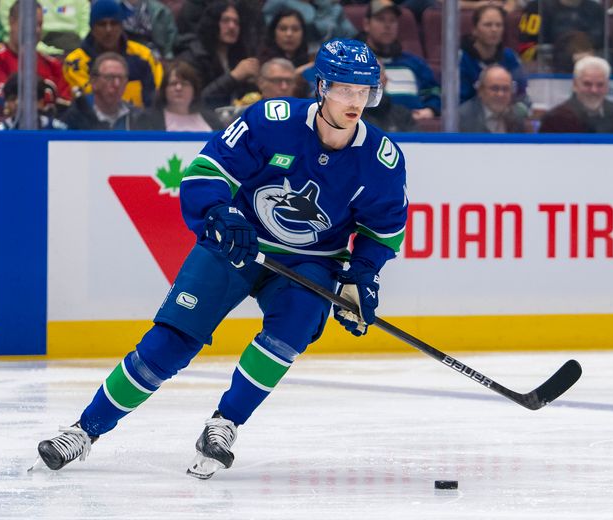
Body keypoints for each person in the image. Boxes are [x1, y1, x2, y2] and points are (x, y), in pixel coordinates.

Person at [33, 38, 408, 480]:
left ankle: (224, 423)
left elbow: (381, 230)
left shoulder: (382, 160)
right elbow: (205, 173)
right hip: (239, 244)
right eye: (345, 89)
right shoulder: (272, 121)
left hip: (309, 261)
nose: (355, 101)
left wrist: (361, 276)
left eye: (364, 91)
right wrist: (220, 212)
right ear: (322, 87)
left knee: (297, 323)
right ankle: (84, 430)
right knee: (171, 342)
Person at [63, 0, 162, 108]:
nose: (108, 30)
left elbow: (156, 96)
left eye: (114, 23)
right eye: (102, 24)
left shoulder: (144, 55)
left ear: (121, 26)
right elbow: (89, 101)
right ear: (92, 28)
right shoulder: (75, 62)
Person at [0, 1, 71, 111]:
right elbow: (2, 99)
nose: (36, 30)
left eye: (39, 24)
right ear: (11, 22)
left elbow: (66, 106)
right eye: (30, 24)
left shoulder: (53, 65)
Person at [361, 0, 441, 120]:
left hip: (413, 130)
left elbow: (435, 92)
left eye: (392, 20)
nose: (387, 26)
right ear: (367, 24)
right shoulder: (356, 64)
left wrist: (430, 110)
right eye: (381, 19)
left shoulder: (414, 63)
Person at [177, 0, 260, 109]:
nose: (232, 26)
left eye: (236, 22)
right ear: (212, 23)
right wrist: (234, 77)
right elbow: (196, 99)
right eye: (225, 20)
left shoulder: (238, 56)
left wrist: (255, 83)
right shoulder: (193, 57)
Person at [539, 56, 613, 133]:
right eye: (587, 84)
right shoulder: (555, 119)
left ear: (607, 86)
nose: (594, 90)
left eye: (600, 84)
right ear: (575, 85)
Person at [459, 4, 527, 105]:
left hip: (506, 116)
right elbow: (459, 102)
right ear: (475, 30)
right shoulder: (461, 59)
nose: (494, 30)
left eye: (499, 25)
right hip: (472, 117)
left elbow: (522, 95)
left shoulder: (510, 57)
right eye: (488, 25)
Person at [135, 59, 223, 130]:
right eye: (173, 83)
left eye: (184, 84)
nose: (178, 88)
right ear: (164, 89)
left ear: (194, 90)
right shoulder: (148, 120)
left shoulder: (212, 121)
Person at [61, 51, 143, 129]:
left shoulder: (138, 118)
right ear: (94, 81)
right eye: (109, 77)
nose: (116, 84)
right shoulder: (74, 118)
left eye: (121, 78)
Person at [518, 0, 605, 67]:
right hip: (549, 75)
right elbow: (525, 51)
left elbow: (608, 50)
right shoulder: (536, 8)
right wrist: (569, 58)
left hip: (592, 72)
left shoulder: (597, 10)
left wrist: (593, 56)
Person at [0, 0, 91, 56]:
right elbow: (12, 31)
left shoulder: (81, 1)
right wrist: (50, 51)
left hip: (75, 49)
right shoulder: (9, 1)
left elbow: (86, 30)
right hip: (34, 51)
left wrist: (78, 51)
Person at [262, 0, 357, 53]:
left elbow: (350, 35)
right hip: (284, 56)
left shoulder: (332, 8)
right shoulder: (279, 4)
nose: (289, 33)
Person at [459, 65, 529, 133]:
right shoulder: (461, 118)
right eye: (495, 88)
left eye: (506, 89)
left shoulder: (517, 117)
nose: (500, 94)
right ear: (481, 91)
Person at [0, 74, 68, 129]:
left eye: (24, 99)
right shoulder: (1, 130)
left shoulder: (57, 128)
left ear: (40, 102)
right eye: (12, 99)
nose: (17, 103)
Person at [257, 8, 312, 74]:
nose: (289, 34)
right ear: (273, 33)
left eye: (295, 29)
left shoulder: (310, 61)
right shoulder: (260, 64)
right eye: (283, 29)